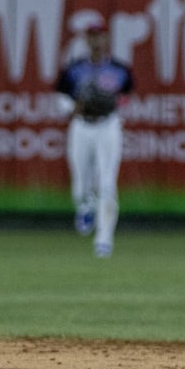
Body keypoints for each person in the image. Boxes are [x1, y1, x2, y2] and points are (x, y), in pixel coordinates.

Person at [54, 21, 133, 258]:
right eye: (92, 36)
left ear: (106, 40)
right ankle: (84, 207)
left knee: (107, 183)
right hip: (82, 125)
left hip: (107, 125)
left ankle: (104, 239)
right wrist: (72, 108)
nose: (96, 41)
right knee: (80, 184)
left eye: (100, 36)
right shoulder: (74, 68)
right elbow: (61, 96)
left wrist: (114, 105)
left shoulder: (120, 69)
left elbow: (127, 96)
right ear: (86, 41)